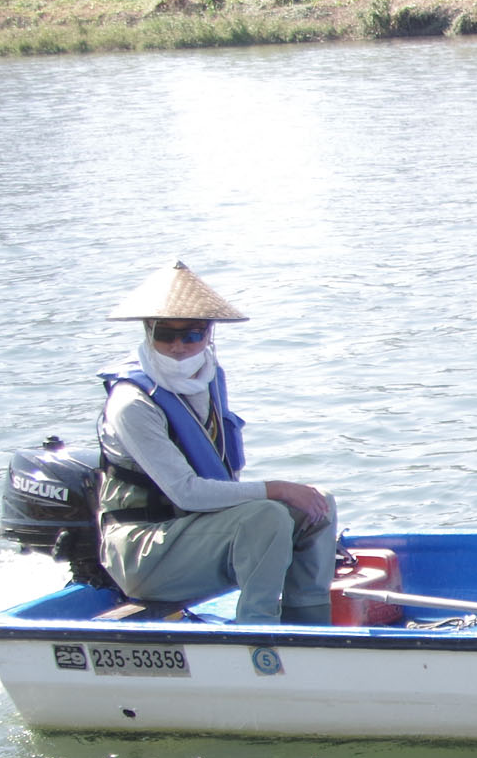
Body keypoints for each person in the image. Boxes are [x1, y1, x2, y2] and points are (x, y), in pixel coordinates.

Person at [94, 261, 339, 625]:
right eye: (164, 333)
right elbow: (188, 494)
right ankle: (259, 634)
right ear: (148, 331)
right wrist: (278, 489)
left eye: (191, 334)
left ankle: (311, 624)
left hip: (194, 534)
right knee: (266, 515)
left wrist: (294, 495)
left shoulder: (207, 378)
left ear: (209, 333)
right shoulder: (133, 403)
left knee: (319, 504)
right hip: (143, 550)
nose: (178, 346)